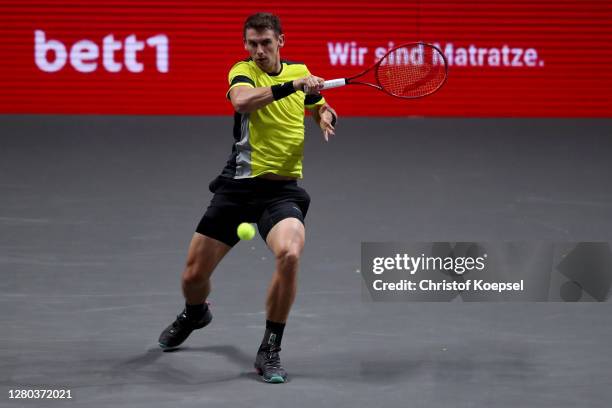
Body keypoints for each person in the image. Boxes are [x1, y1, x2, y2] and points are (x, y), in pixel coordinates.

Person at [158, 12, 337, 384]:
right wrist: (294, 86)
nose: (258, 51)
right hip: (237, 187)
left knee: (290, 253)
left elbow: (317, 103)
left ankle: (270, 348)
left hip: (282, 190)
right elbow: (242, 102)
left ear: (280, 42)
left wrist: (323, 113)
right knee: (193, 276)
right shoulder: (242, 72)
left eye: (265, 43)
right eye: (252, 44)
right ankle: (195, 313)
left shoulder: (300, 69)